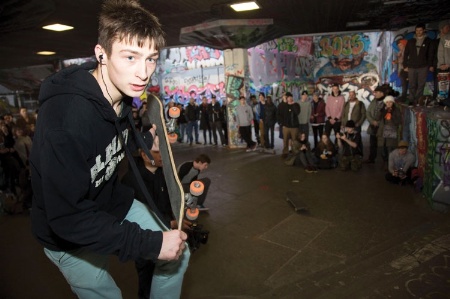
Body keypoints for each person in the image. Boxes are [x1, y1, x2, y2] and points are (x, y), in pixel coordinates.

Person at [29, 1, 188, 298]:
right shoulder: (65, 122)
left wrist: (144, 143)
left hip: (112, 203)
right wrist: (151, 244)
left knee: (180, 252)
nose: (143, 73)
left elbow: (112, 145)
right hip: (67, 233)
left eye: (151, 59)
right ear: (101, 54)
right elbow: (67, 217)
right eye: (130, 57)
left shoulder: (125, 95)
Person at [122, 129, 191, 299]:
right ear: (144, 155)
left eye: (163, 152)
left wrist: (175, 219)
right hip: (145, 239)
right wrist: (171, 223)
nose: (162, 157)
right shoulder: (131, 181)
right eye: (156, 153)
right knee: (146, 278)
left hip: (167, 232)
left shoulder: (162, 174)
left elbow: (166, 203)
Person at [403, 23, 434, 105]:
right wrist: (405, 65)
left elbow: (431, 54)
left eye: (420, 30)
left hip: (423, 66)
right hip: (412, 66)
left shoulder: (428, 41)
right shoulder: (410, 41)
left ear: (424, 30)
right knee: (412, 83)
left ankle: (417, 100)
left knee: (421, 84)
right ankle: (411, 99)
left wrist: (430, 65)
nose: (418, 32)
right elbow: (406, 54)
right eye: (417, 30)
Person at [377, 95, 402, 169]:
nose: (388, 104)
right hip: (382, 131)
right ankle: (384, 162)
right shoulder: (383, 109)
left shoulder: (396, 110)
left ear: (393, 103)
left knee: (391, 148)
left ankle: (391, 165)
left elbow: (398, 121)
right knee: (383, 148)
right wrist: (383, 111)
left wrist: (391, 113)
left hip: (392, 131)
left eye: (390, 102)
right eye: (387, 102)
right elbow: (377, 117)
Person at [364, 85, 386, 164]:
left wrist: (378, 123)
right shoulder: (374, 101)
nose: (375, 94)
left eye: (376, 92)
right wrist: (372, 121)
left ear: (382, 93)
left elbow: (387, 117)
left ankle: (385, 161)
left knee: (382, 145)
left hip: (382, 128)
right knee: (372, 144)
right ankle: (371, 158)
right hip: (373, 126)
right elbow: (368, 112)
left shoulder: (386, 102)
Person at [278, 92, 300, 159]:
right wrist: (282, 124)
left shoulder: (296, 105)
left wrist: (293, 105)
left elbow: (297, 112)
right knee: (285, 141)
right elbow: (280, 114)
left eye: (291, 97)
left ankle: (295, 153)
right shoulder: (284, 105)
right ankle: (285, 153)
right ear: (286, 98)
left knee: (294, 141)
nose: (289, 98)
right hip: (286, 127)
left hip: (294, 127)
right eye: (288, 97)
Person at [437, 20, 450, 100]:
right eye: (447, 27)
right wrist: (442, 64)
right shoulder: (442, 38)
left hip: (448, 65)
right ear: (441, 29)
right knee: (444, 85)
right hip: (443, 66)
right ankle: (444, 101)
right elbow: (440, 52)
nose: (448, 28)